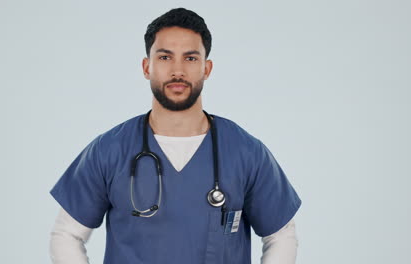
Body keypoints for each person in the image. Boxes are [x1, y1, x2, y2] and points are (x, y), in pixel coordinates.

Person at [49, 7, 302, 264]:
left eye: (191, 58)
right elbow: (67, 234)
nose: (177, 70)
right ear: (147, 67)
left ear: (207, 68)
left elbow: (281, 235)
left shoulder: (245, 151)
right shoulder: (109, 150)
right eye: (165, 57)